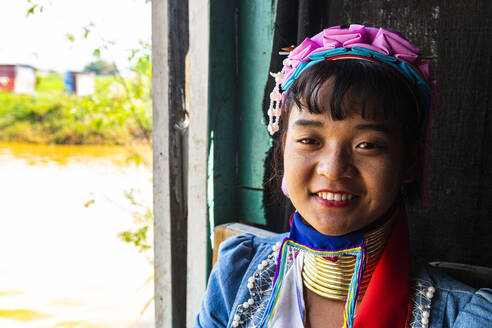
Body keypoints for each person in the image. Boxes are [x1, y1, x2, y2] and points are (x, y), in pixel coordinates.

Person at [195, 24, 492, 328]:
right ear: (283, 148)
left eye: (367, 145)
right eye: (310, 140)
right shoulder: (236, 276)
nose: (333, 169)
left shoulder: (465, 317)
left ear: (409, 162)